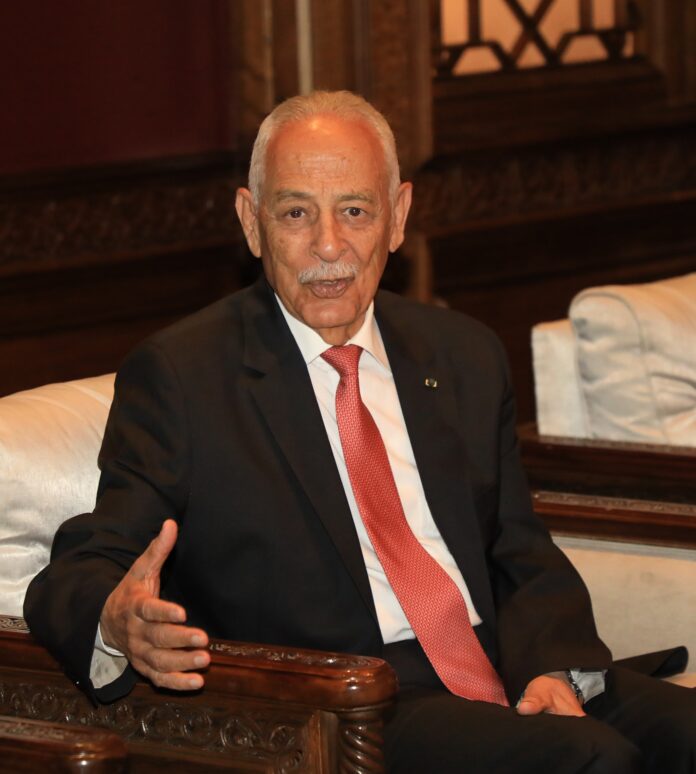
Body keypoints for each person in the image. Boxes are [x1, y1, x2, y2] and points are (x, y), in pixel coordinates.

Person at [25, 91, 695, 773]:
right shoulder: (184, 377)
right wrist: (116, 620)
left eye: (354, 211)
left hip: (505, 667)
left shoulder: (461, 353)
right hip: (357, 709)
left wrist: (551, 665)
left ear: (397, 217)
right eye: (295, 213)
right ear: (251, 223)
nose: (328, 245)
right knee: (591, 760)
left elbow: (516, 547)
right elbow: (87, 563)